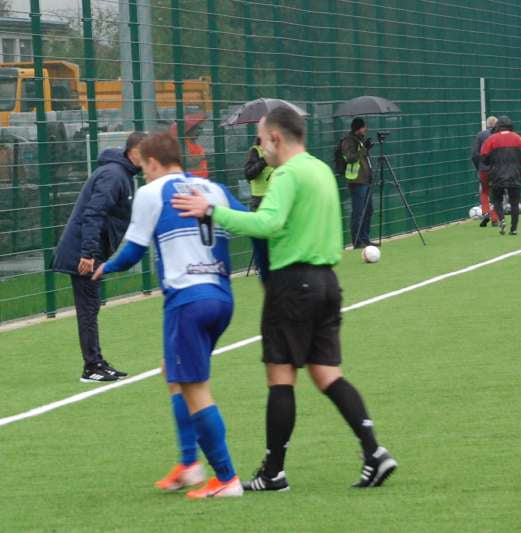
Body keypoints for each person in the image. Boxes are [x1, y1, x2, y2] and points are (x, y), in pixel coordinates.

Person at [172, 107, 397, 491]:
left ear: (275, 137)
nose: (260, 147)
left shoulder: (287, 174)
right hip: (327, 282)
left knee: (280, 377)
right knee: (327, 374)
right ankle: (373, 452)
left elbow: (267, 224)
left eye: (261, 139)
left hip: (293, 284)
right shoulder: (320, 170)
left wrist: (212, 211)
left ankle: (273, 471)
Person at [92, 132, 248, 499]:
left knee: (196, 390)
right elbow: (249, 223)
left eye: (144, 168)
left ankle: (226, 478)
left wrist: (106, 267)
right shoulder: (213, 189)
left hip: (187, 301)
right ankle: (189, 464)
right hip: (222, 299)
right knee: (173, 372)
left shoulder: (152, 192)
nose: (143, 175)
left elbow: (132, 251)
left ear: (153, 163)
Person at [52, 132, 146, 382]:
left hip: (91, 253)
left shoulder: (122, 174)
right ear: (134, 152)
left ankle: (96, 362)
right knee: (88, 309)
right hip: (83, 255)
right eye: (146, 154)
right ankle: (91, 366)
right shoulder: (114, 175)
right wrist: (88, 254)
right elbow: (93, 214)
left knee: (91, 308)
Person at [481, 115, 521, 235]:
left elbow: (484, 157)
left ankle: (501, 220)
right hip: (514, 174)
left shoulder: (491, 139)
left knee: (497, 200)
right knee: (515, 202)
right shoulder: (517, 138)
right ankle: (514, 228)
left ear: (497, 127)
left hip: (496, 174)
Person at [340, 117, 374, 248]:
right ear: (358, 128)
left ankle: (365, 239)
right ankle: (357, 241)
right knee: (358, 212)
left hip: (366, 180)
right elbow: (351, 158)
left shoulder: (360, 141)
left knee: (368, 210)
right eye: (364, 127)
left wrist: (366, 148)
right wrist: (363, 149)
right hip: (357, 181)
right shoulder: (348, 141)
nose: (366, 129)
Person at [243, 137, 272, 277]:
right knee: (261, 234)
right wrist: (264, 161)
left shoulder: (278, 151)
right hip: (260, 199)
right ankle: (260, 266)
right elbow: (248, 174)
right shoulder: (255, 151)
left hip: (276, 197)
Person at [472, 116, 498, 227]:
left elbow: (474, 154)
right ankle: (494, 217)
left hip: (483, 169)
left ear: (487, 124)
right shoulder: (498, 136)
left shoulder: (480, 135)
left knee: (484, 191)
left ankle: (486, 212)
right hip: (497, 169)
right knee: (497, 194)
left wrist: (479, 167)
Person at [170, 113, 209, 179]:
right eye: (198, 129)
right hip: (191, 179)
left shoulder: (191, 142)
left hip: (199, 178)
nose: (200, 132)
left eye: (201, 129)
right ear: (189, 130)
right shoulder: (183, 143)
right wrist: (202, 157)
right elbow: (186, 160)